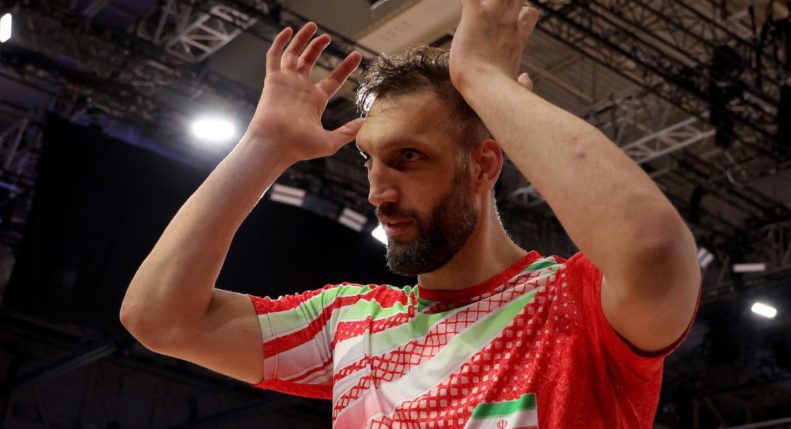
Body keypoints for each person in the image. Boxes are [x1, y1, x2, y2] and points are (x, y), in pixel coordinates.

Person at [120, 1, 701, 427]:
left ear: (483, 167)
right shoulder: (351, 322)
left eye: (408, 158)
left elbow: (655, 255)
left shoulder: (574, 304)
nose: (378, 191)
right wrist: (262, 148)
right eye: (370, 160)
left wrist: (484, 79)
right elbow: (160, 319)